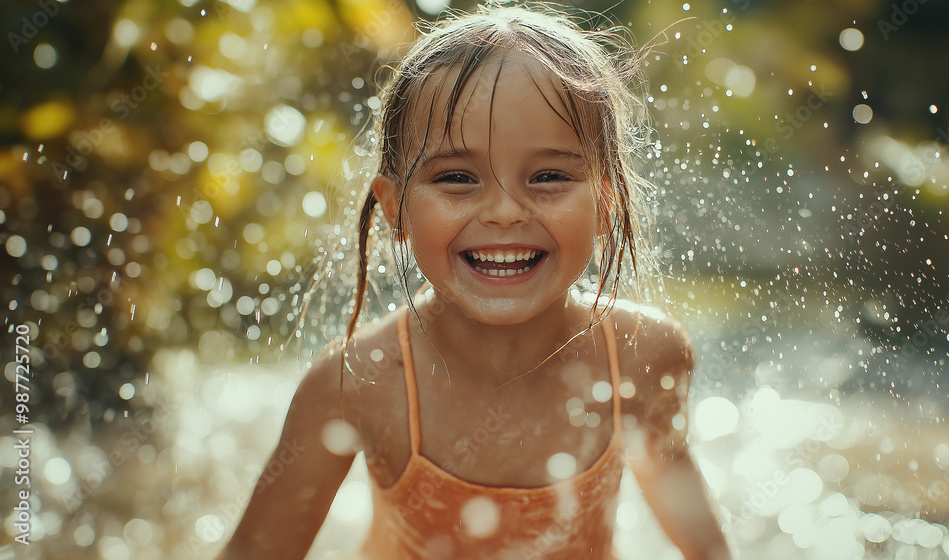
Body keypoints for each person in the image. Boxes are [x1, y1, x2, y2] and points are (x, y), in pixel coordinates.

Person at [216, 3, 732, 559]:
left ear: (606, 202)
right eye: (457, 178)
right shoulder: (359, 384)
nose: (505, 212)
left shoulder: (639, 356)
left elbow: (707, 549)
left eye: (549, 176)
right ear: (396, 209)